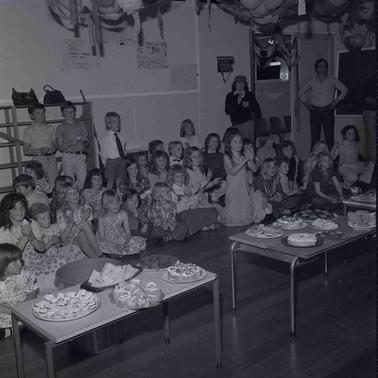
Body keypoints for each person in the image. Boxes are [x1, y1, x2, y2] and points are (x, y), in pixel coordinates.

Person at [28, 203, 85, 288]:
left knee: (74, 248)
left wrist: (56, 242)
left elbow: (58, 246)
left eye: (48, 217)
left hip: (55, 251)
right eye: (43, 219)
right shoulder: (37, 231)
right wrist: (50, 242)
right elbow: (40, 250)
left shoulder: (54, 227)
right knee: (63, 259)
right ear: (36, 221)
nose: (47, 220)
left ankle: (82, 270)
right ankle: (69, 276)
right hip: (44, 255)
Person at [298, 58, 348, 150]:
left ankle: (331, 161)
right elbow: (300, 92)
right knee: (315, 138)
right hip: (315, 112)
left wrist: (337, 101)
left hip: (328, 111)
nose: (322, 68)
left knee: (329, 138)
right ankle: (313, 161)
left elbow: (344, 90)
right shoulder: (311, 82)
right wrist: (306, 102)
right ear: (316, 68)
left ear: (326, 68)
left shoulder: (332, 80)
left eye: (324, 66)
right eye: (320, 66)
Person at [222, 132, 265, 226]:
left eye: (240, 142)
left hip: (243, 185)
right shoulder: (227, 156)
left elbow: (254, 169)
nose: (239, 144)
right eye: (235, 142)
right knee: (234, 210)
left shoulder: (242, 156)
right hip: (233, 187)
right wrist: (245, 159)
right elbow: (232, 171)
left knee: (244, 207)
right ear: (229, 144)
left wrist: (251, 158)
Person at [0, 243, 38, 340]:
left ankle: (14, 330)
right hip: (6, 311)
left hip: (23, 307)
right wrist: (12, 312)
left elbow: (31, 293)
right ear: (2, 265)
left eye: (19, 259)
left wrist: (22, 309)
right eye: (15, 261)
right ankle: (12, 330)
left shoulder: (25, 276)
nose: (20, 263)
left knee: (34, 315)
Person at [56, 182, 100, 258]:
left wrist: (84, 218)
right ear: (65, 197)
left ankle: (97, 253)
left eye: (75, 191)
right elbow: (63, 239)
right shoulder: (61, 213)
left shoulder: (85, 208)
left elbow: (90, 231)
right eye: (70, 193)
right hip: (70, 242)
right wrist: (70, 222)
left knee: (83, 231)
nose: (74, 195)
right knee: (81, 233)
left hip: (87, 240)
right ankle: (97, 258)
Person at [97, 190, 146, 255]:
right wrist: (115, 246)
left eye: (117, 201)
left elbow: (128, 232)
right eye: (112, 203)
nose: (116, 205)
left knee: (140, 241)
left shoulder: (123, 214)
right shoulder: (101, 217)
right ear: (105, 205)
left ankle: (119, 252)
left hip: (119, 237)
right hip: (107, 240)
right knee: (102, 246)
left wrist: (126, 243)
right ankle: (115, 253)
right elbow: (102, 238)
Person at [56, 101, 89, 189]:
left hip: (80, 155)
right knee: (69, 182)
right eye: (67, 112)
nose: (70, 114)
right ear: (62, 113)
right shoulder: (60, 127)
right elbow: (60, 147)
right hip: (68, 156)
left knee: (83, 181)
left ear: (75, 112)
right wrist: (71, 143)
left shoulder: (81, 124)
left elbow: (87, 144)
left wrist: (84, 140)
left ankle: (83, 201)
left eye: (72, 111)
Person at [23, 103, 58, 185]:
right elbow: (26, 151)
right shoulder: (29, 130)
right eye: (38, 113)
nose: (41, 115)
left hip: (51, 158)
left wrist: (53, 148)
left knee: (54, 184)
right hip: (38, 160)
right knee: (39, 184)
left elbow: (55, 144)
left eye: (43, 113)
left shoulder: (50, 128)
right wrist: (41, 150)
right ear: (31, 116)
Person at [225, 75, 262, 141]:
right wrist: (237, 103)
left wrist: (249, 106)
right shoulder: (230, 96)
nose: (240, 84)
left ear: (245, 84)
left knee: (247, 143)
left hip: (247, 123)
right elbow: (227, 111)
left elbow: (257, 111)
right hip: (235, 124)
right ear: (235, 84)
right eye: (238, 82)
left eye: (242, 82)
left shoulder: (249, 95)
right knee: (237, 144)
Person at [100, 111, 126, 190]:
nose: (117, 124)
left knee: (120, 180)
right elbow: (103, 152)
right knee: (110, 181)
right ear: (108, 124)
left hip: (121, 160)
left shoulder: (121, 137)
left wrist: (124, 158)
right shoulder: (106, 138)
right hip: (111, 161)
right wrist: (105, 163)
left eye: (118, 121)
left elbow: (123, 149)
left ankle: (119, 194)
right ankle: (108, 194)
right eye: (115, 122)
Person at [361, 78, 375, 161]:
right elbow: (367, 100)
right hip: (370, 112)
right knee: (370, 138)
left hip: (370, 111)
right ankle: (370, 161)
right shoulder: (370, 82)